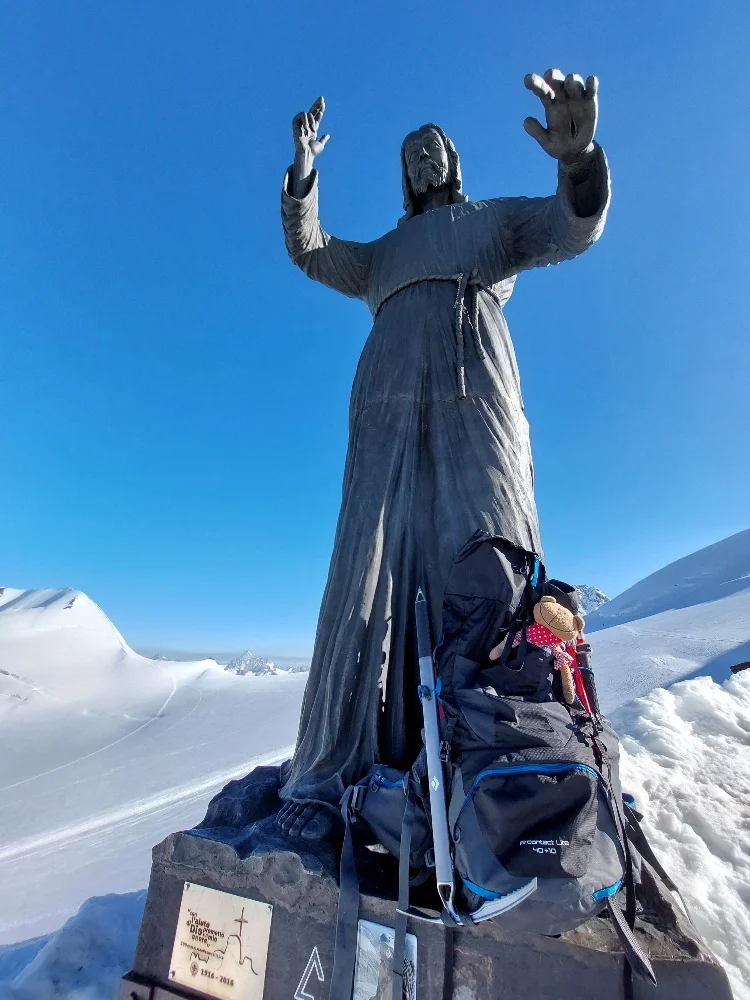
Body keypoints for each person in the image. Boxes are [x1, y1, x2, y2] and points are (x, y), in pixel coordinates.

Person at [277, 70, 610, 838]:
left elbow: (572, 227)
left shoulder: (493, 224)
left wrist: (579, 160)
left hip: (477, 394)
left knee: (489, 549)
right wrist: (303, 174)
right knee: (370, 553)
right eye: (412, 156)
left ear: (455, 166)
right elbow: (313, 251)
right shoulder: (384, 255)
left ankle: (505, 762)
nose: (425, 162)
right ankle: (344, 755)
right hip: (387, 401)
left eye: (436, 152)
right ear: (405, 175)